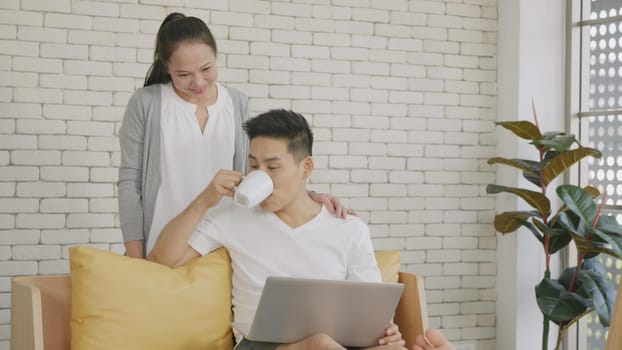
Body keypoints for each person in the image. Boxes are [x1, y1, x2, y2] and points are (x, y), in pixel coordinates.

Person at [149, 110, 406, 350]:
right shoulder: (231, 216)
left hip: (336, 344)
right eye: (253, 165)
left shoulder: (349, 228)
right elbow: (162, 260)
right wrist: (204, 200)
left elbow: (370, 309)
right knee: (319, 343)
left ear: (305, 168)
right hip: (261, 344)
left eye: (272, 167)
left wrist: (384, 334)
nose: (260, 176)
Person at [118, 13, 348, 259]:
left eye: (206, 68)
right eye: (183, 74)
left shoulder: (235, 102)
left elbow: (257, 173)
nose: (197, 82)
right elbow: (130, 182)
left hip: (222, 244)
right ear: (166, 68)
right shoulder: (147, 104)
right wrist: (135, 257)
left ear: (216, 57)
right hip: (161, 244)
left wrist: (310, 196)